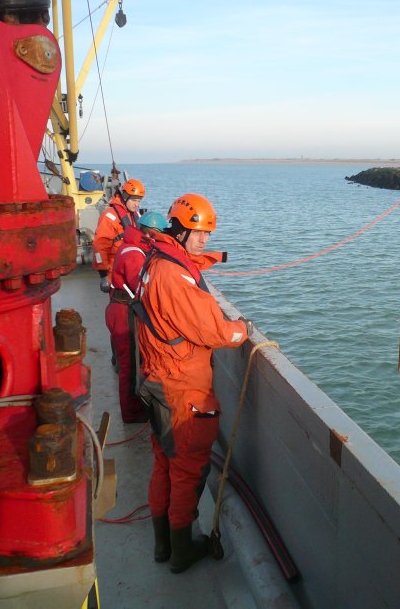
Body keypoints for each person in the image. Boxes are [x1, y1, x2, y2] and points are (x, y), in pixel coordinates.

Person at [135, 193, 251, 574]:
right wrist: (242, 330)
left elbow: (185, 269)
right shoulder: (174, 277)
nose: (204, 240)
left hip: (156, 381)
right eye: (198, 233)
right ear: (179, 230)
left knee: (163, 464)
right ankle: (183, 550)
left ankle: (161, 545)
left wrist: (210, 259)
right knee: (187, 469)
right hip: (182, 388)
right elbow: (215, 331)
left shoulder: (158, 260)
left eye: (207, 233)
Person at [105, 211, 168, 423]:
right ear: (151, 233)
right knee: (130, 367)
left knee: (128, 362)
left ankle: (133, 408)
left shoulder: (131, 245)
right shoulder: (134, 254)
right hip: (124, 313)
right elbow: (142, 288)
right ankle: (132, 414)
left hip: (119, 308)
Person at [92, 178, 145, 292]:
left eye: (139, 201)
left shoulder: (134, 215)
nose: (137, 204)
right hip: (115, 274)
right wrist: (103, 276)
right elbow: (99, 246)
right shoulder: (109, 217)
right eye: (134, 200)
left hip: (131, 270)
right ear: (125, 197)